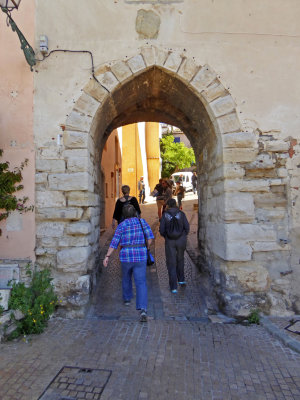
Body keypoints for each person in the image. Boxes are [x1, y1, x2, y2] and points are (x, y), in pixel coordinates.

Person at [103, 204, 154, 322]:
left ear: (124, 215)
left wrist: (107, 256)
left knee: (126, 277)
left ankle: (127, 298)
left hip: (126, 256)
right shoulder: (142, 222)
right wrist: (145, 247)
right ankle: (143, 309)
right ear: (135, 212)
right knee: (141, 282)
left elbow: (114, 243)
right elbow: (150, 238)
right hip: (141, 255)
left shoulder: (122, 225)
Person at [159, 198, 190, 293]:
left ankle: (173, 287)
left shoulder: (165, 215)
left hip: (170, 241)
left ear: (168, 205)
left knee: (171, 263)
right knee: (180, 259)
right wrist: (183, 235)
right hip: (181, 240)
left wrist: (167, 237)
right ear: (176, 204)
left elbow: (162, 230)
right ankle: (181, 280)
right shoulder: (181, 214)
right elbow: (187, 228)